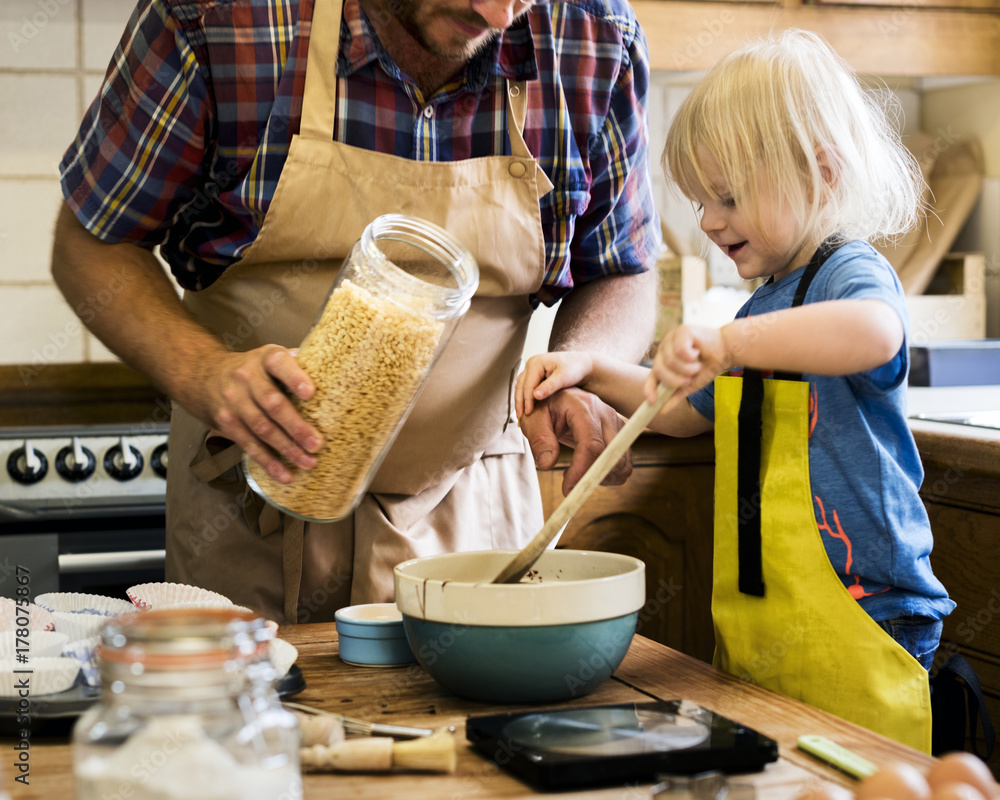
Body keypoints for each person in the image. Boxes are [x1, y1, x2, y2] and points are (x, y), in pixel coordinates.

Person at [51, 0, 660, 625]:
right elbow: (90, 245)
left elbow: (622, 268)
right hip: (246, 509)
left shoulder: (593, 35)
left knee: (467, 724)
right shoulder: (218, 20)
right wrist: (205, 373)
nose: (499, 16)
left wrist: (587, 364)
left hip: (473, 512)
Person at [515, 29, 954, 753]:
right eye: (700, 201)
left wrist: (729, 343)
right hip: (769, 614)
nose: (711, 221)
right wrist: (589, 370)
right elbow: (686, 411)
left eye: (728, 196)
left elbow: (878, 334)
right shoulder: (762, 305)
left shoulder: (848, 274)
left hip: (870, 612)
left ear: (822, 172)